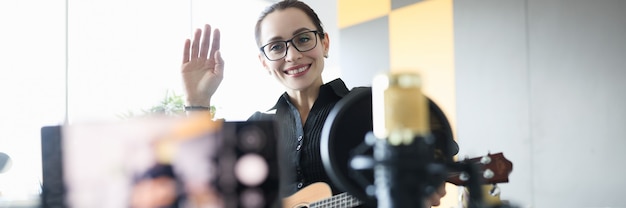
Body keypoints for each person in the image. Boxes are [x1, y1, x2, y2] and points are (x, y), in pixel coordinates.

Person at [179, 0, 451, 207]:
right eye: (276, 46)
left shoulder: (373, 105)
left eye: (304, 39)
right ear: (264, 62)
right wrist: (197, 100)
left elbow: (438, 152)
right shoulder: (256, 128)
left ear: (324, 43)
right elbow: (204, 185)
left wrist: (428, 185)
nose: (293, 55)